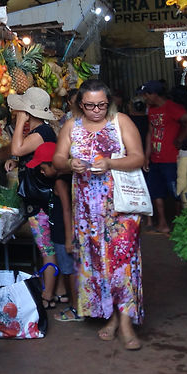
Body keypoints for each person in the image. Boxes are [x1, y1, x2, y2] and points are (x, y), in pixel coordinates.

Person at [52, 78, 146, 350]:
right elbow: (57, 160)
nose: (96, 110)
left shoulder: (121, 122)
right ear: (80, 105)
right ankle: (112, 318)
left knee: (124, 264)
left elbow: (138, 157)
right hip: (87, 213)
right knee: (100, 264)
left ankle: (126, 323)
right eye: (90, 105)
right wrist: (70, 163)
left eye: (101, 105)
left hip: (121, 208)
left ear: (109, 103)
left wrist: (110, 163)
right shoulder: (72, 126)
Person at [4, 87, 62, 308]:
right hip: (42, 200)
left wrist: (20, 121)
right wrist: (17, 164)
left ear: (29, 111)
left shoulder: (40, 134)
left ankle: (47, 296)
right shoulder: (43, 132)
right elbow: (31, 158)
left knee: (46, 249)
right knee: (47, 248)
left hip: (40, 204)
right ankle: (59, 291)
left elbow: (17, 148)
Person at [26, 141, 78, 320]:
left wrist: (69, 238)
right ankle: (69, 300)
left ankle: (75, 307)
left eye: (43, 167)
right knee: (66, 269)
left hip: (63, 235)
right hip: (60, 233)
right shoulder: (62, 179)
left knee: (69, 270)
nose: (41, 171)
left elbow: (67, 210)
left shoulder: (60, 183)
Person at [139, 80, 187, 234]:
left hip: (171, 158)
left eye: (146, 95)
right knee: (156, 191)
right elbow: (150, 132)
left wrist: (180, 139)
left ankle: (180, 224)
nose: (144, 98)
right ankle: (163, 224)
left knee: (176, 192)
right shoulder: (151, 109)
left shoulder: (172, 107)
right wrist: (146, 156)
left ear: (154, 94)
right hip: (156, 159)